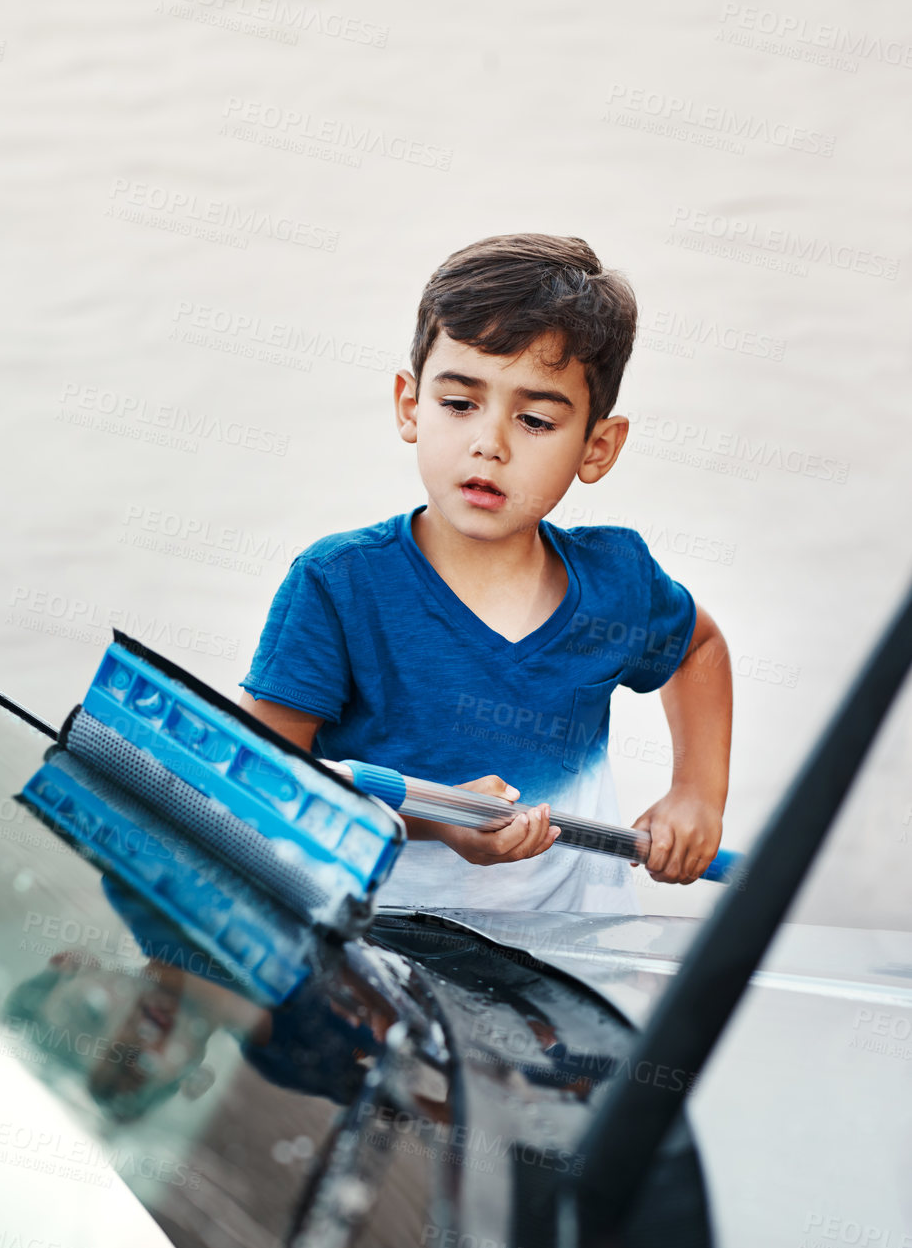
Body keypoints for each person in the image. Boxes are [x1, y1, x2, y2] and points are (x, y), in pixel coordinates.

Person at [238, 233, 733, 914]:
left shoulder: (618, 581)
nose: (488, 443)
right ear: (409, 405)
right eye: (459, 403)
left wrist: (697, 793)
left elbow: (698, 651)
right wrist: (440, 821)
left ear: (596, 446)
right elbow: (261, 785)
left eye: (533, 419)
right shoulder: (338, 584)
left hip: (564, 951)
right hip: (368, 940)